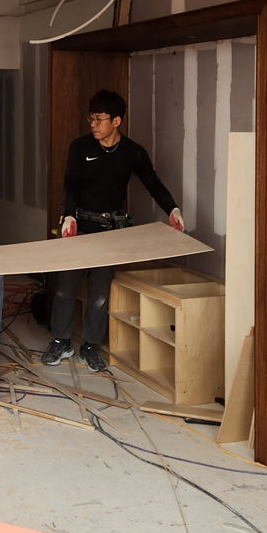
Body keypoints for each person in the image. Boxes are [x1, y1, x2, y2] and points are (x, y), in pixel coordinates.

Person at [44, 89, 184, 372]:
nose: (93, 124)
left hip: (109, 231)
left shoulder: (133, 152)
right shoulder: (80, 147)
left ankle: (89, 346)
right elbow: (70, 183)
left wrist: (172, 209)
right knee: (65, 286)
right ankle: (61, 341)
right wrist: (68, 216)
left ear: (116, 121)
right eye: (91, 118)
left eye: (99, 119)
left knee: (99, 292)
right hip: (77, 225)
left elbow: (153, 184)